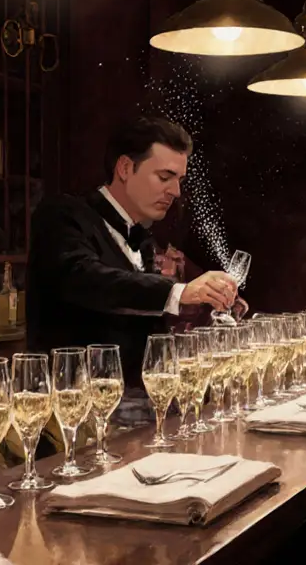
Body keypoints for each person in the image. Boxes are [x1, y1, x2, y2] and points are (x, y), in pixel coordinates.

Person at [27, 116, 240, 418]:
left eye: (179, 180)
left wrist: (204, 310)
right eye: (165, 177)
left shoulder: (142, 239)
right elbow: (84, 278)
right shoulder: (62, 214)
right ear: (125, 168)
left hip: (137, 404)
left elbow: (138, 312)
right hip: (75, 407)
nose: (176, 191)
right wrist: (180, 292)